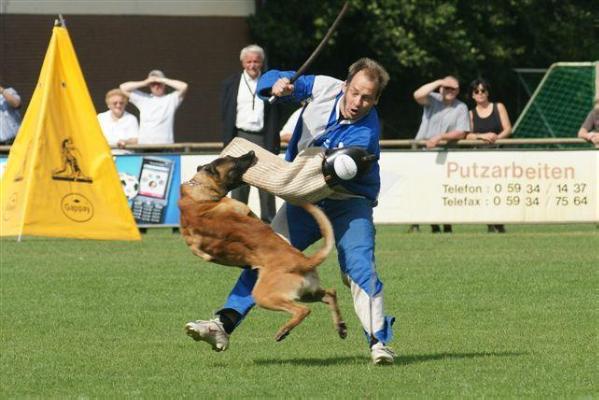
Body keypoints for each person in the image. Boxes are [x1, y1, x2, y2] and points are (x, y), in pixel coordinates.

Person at [186, 58, 397, 365]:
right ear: (345, 86)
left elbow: (320, 172)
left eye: (367, 98)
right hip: (307, 200)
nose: (358, 102)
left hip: (348, 202)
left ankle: (379, 343)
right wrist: (278, 86)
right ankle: (222, 324)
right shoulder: (324, 87)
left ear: (375, 100)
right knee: (266, 258)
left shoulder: (365, 133)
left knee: (359, 267)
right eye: (354, 93)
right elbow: (274, 78)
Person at [220, 44, 280, 223]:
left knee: (266, 182)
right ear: (242, 63)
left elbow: (276, 114)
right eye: (249, 62)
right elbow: (225, 113)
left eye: (256, 61)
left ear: (262, 63)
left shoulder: (270, 84)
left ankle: (270, 221)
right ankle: (238, 220)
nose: (252, 65)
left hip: (263, 137)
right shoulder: (230, 84)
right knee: (238, 182)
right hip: (240, 136)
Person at [409, 76, 469, 234]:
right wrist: (439, 82)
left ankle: (446, 224)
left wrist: (440, 137)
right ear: (441, 88)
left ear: (458, 91)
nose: (449, 91)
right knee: (422, 190)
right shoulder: (432, 99)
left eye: (453, 88)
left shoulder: (461, 107)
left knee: (444, 190)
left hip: (446, 156)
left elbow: (461, 132)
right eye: (446, 88)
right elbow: (417, 95)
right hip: (423, 153)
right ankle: (422, 222)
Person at [466, 78, 512, 233]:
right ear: (472, 95)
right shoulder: (470, 114)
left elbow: (507, 129)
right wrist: (482, 136)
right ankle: (489, 223)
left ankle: (499, 221)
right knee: (484, 191)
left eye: (483, 90)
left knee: (499, 190)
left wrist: (495, 138)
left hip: (499, 155)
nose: (480, 94)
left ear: (488, 93)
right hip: (480, 159)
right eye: (476, 91)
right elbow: (467, 135)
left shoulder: (498, 107)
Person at [119, 70, 187, 144]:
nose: (156, 86)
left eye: (159, 84)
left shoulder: (171, 99)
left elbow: (184, 86)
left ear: (163, 84)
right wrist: (145, 82)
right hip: (145, 146)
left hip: (165, 145)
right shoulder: (143, 98)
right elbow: (123, 87)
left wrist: (162, 80)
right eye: (153, 84)